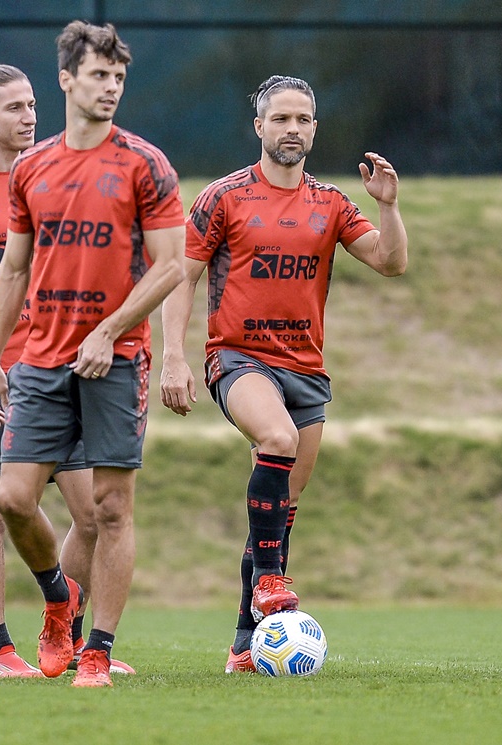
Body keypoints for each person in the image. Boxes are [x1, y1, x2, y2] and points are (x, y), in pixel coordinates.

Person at [160, 75, 408, 673]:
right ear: (260, 127)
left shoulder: (330, 203)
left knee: (280, 510)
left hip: (307, 370)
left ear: (315, 129)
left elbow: (391, 262)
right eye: (281, 119)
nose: (292, 129)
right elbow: (181, 276)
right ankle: (271, 581)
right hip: (238, 357)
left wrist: (388, 205)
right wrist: (173, 354)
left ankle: (245, 644)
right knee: (276, 441)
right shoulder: (224, 197)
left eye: (303, 120)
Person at [0, 20, 185, 688]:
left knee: (109, 508)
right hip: (40, 359)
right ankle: (58, 600)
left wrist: (109, 330)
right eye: (98, 75)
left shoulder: (145, 164)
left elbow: (171, 267)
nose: (110, 88)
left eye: (118, 77)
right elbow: (12, 271)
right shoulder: (31, 168)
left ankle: (96, 649)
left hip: (117, 358)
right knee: (12, 499)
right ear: (66, 79)